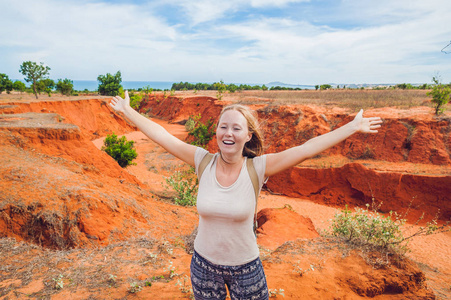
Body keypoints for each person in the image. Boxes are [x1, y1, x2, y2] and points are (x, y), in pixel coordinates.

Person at [109, 91, 383, 300]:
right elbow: (162, 136)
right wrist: (128, 111)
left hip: (246, 269)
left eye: (236, 128)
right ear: (216, 131)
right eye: (223, 126)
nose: (228, 133)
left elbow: (306, 149)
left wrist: (351, 127)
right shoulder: (202, 161)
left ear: (247, 135)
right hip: (204, 267)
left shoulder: (258, 167)